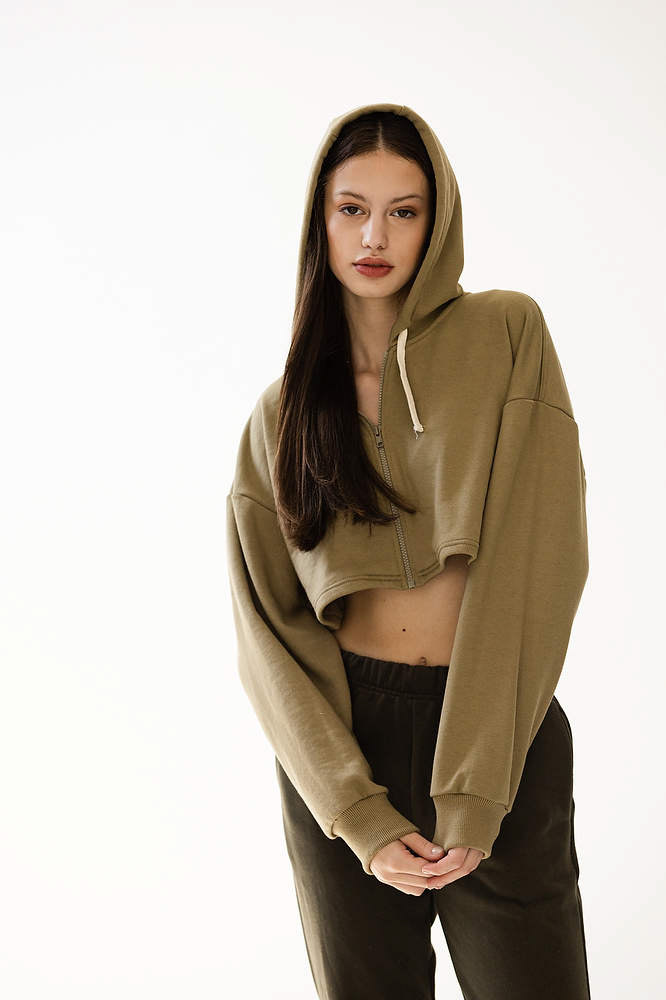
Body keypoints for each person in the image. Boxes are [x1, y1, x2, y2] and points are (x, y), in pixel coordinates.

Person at [226, 102, 591, 999]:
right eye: (352, 209)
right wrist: (353, 810)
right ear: (319, 221)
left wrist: (476, 786)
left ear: (439, 221)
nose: (375, 236)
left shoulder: (508, 335)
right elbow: (268, 634)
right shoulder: (282, 415)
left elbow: (537, 558)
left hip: (496, 724)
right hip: (345, 743)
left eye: (404, 210)